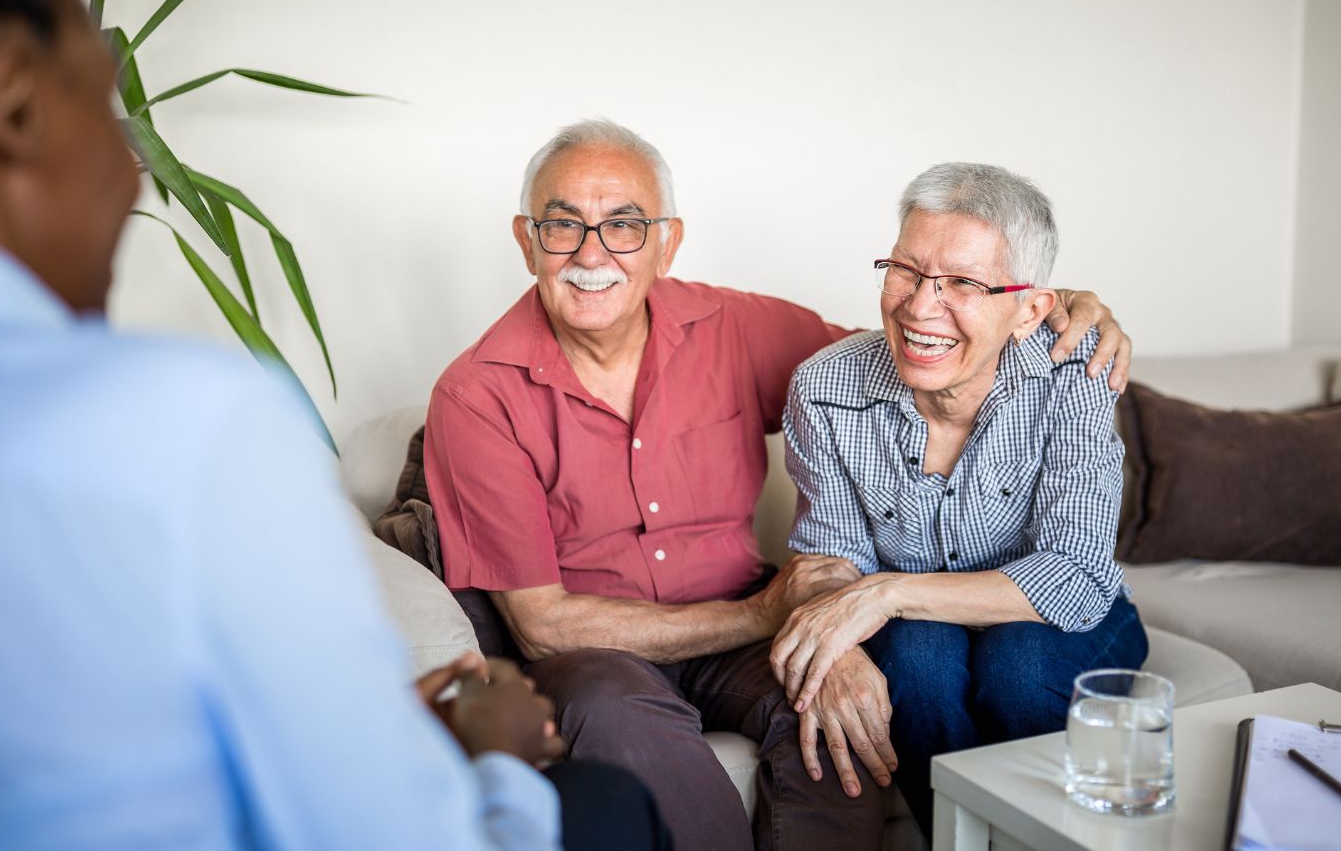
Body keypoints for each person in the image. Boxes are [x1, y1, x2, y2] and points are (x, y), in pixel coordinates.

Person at [0, 0, 667, 849]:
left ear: (665, 242)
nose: (131, 169)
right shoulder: (186, 425)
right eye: (107, 108)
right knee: (605, 805)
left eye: (624, 227)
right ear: (13, 106)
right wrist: (491, 761)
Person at [421, 121, 1136, 850]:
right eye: (563, 225)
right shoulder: (476, 396)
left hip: (746, 620)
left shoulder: (735, 327)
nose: (592, 253)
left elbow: (924, 344)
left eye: (625, 226)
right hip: (598, 653)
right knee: (623, 720)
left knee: (834, 717)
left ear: (667, 241)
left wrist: (1052, 305)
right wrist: (777, 614)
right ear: (527, 239)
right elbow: (544, 626)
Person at [767, 163, 1149, 836]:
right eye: (906, 270)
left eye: (963, 284)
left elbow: (1076, 574)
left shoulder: (1077, 368)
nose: (919, 307)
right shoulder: (824, 388)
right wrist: (860, 612)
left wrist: (885, 594)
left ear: (1030, 309)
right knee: (916, 660)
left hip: (1061, 618)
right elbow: (832, 560)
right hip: (923, 627)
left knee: (1018, 670)